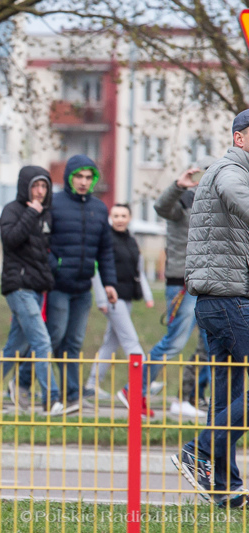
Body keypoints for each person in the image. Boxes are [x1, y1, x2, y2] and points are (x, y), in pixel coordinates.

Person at [171, 109, 249, 509]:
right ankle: (199, 448)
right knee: (228, 401)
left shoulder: (228, 169)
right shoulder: (229, 170)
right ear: (240, 138)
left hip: (216, 300)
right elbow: (238, 196)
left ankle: (224, 487)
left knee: (224, 400)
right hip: (230, 299)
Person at [19, 155, 118, 412]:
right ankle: (24, 382)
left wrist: (109, 283)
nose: (83, 182)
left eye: (88, 177)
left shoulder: (99, 208)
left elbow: (105, 250)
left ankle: (72, 395)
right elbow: (42, 243)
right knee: (52, 338)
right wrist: (55, 267)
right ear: (69, 178)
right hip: (57, 286)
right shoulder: (55, 204)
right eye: (79, 177)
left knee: (73, 344)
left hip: (83, 288)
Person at [117, 159, 215, 418]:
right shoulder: (182, 204)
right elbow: (161, 207)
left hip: (207, 285)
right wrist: (177, 186)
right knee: (174, 343)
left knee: (210, 343)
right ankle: (133, 389)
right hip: (182, 286)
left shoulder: (216, 206)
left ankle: (193, 397)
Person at [0, 166, 64, 415]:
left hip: (37, 287)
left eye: (44, 186)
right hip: (19, 287)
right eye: (35, 186)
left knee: (15, 348)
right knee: (42, 342)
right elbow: (10, 239)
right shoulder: (12, 210)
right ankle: (52, 399)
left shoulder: (47, 213)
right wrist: (31, 214)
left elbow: (47, 249)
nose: (40, 191)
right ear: (25, 186)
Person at [84, 204, 153, 404]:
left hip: (128, 296)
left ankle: (91, 385)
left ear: (130, 218)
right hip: (113, 298)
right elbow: (97, 271)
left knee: (110, 342)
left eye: (123, 215)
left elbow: (138, 271)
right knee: (130, 339)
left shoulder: (131, 241)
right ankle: (143, 379)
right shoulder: (106, 240)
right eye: (116, 215)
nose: (120, 219)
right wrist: (101, 299)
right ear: (110, 218)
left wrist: (148, 296)